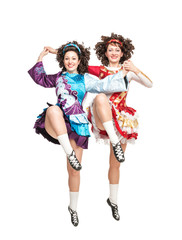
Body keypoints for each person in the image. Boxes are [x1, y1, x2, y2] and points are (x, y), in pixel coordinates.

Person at [45, 35, 153, 221]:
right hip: (100, 115)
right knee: (101, 97)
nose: (113, 53)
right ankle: (74, 206)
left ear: (123, 53)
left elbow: (150, 84)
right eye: (110, 50)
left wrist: (134, 68)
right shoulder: (98, 70)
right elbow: (74, 63)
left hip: (119, 118)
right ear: (105, 52)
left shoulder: (128, 70)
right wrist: (57, 51)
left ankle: (113, 201)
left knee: (115, 163)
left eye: (117, 50)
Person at [28, 41, 129, 226]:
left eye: (73, 58)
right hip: (58, 123)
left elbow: (103, 85)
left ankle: (72, 208)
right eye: (66, 58)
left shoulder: (85, 79)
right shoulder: (58, 77)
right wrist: (41, 57)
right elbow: (40, 79)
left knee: (74, 171)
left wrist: (123, 73)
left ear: (79, 60)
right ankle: (69, 152)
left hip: (77, 125)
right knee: (52, 110)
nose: (70, 61)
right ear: (63, 60)